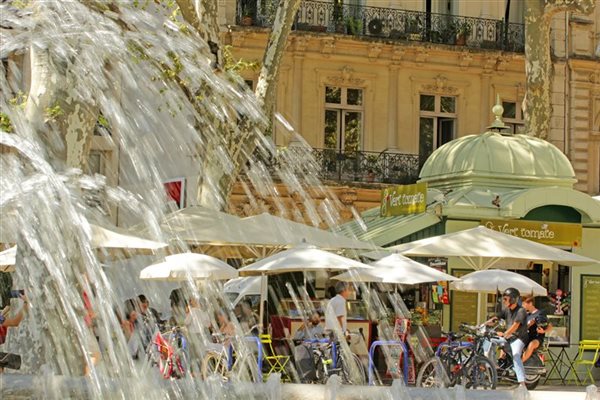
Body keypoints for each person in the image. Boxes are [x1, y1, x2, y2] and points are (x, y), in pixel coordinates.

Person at [485, 287, 528, 388]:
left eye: (505, 299)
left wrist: (505, 334)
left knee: (516, 355)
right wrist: (484, 324)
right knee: (490, 341)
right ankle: (493, 365)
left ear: (513, 299)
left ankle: (522, 383)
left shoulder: (521, 311)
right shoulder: (507, 310)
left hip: (518, 338)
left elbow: (515, 326)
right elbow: (496, 318)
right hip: (508, 337)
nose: (503, 301)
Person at [521, 296, 552, 363]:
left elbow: (550, 326)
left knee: (532, 344)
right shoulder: (527, 315)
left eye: (524, 304)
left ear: (530, 303)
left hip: (537, 338)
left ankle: (519, 364)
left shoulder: (540, 313)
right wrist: (529, 325)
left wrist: (543, 331)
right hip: (527, 337)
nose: (523, 306)